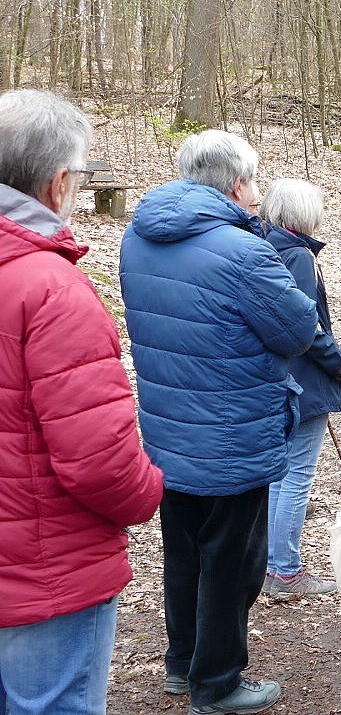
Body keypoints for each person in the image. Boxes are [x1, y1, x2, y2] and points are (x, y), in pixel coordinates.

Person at [121, 129, 318, 715]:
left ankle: (181, 664)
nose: (258, 192)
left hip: (167, 429)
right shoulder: (243, 252)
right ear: (236, 184)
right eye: (253, 181)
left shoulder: (138, 238)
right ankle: (217, 682)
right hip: (232, 435)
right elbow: (298, 330)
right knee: (232, 564)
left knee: (183, 555)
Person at [0, 89, 164, 715]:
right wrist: (148, 491)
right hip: (48, 573)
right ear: (59, 181)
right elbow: (99, 462)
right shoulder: (51, 288)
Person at [259, 179, 341, 599]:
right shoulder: (298, 257)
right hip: (302, 383)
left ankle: (273, 564)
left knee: (280, 476)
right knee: (295, 478)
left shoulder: (265, 249)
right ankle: (285, 569)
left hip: (277, 379)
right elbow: (308, 328)